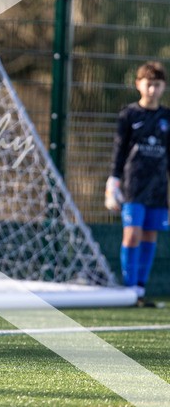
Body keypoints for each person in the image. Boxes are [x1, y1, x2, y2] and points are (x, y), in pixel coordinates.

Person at [106, 61, 170, 307]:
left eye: (157, 85)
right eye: (148, 84)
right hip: (133, 186)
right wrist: (113, 182)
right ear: (138, 85)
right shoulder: (129, 115)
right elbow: (119, 152)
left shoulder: (167, 118)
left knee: (150, 235)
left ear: (163, 86)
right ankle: (128, 288)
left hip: (158, 189)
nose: (152, 89)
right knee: (131, 235)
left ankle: (140, 290)